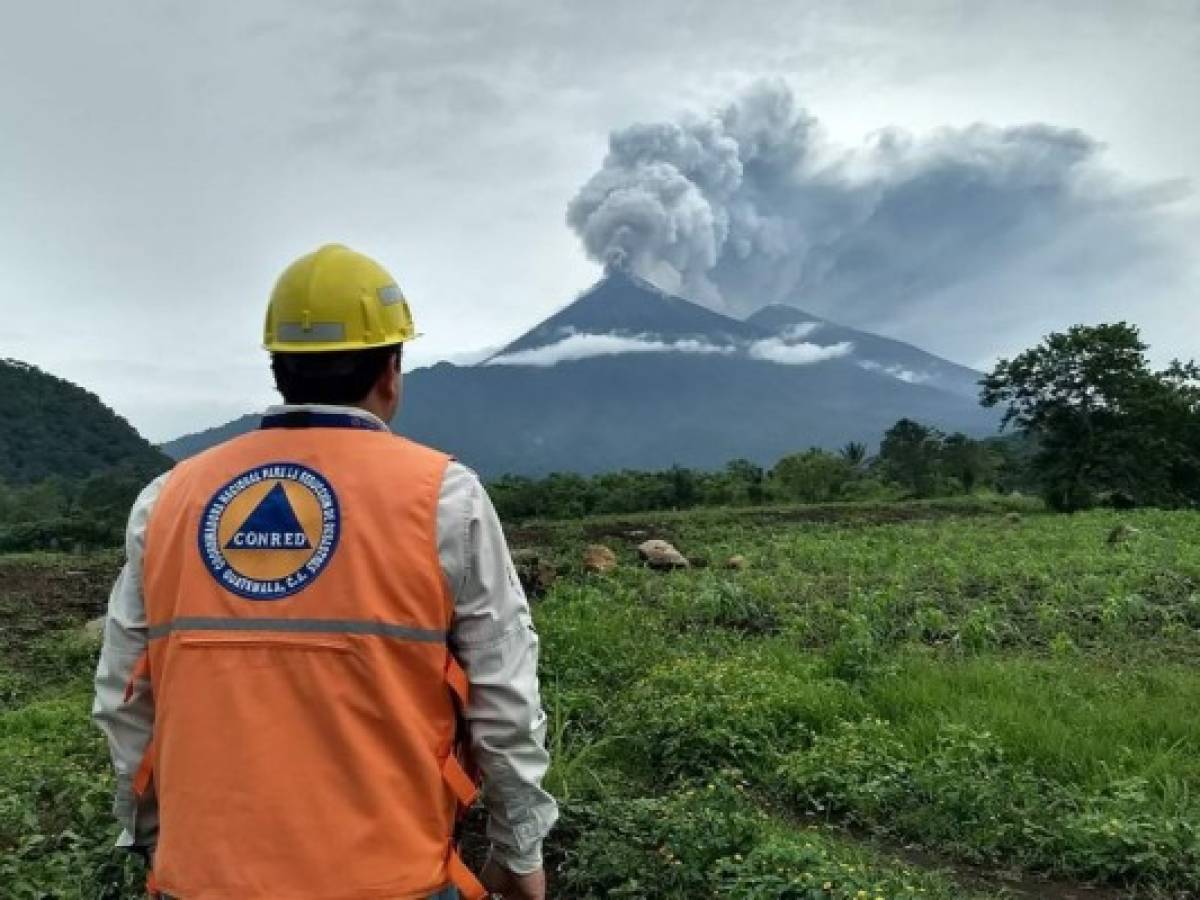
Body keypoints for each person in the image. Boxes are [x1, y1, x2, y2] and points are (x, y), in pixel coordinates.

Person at [92, 244, 557, 899]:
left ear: (279, 368)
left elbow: (123, 697)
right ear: (392, 371)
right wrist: (519, 849)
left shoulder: (166, 500)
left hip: (202, 878)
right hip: (392, 879)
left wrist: (151, 833)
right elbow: (504, 701)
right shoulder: (443, 498)